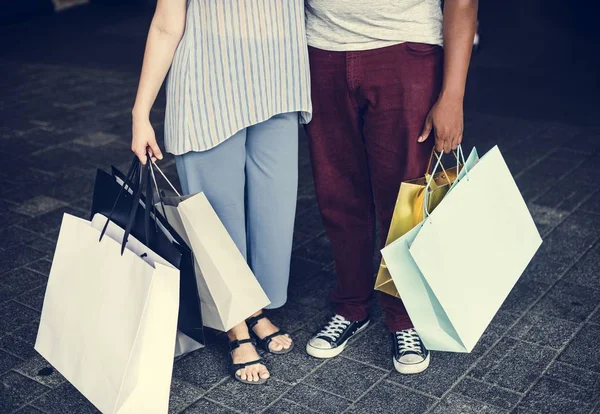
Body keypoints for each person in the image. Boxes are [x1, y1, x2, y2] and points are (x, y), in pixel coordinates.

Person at [131, 0, 311, 385]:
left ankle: (255, 307)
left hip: (279, 80)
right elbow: (166, 23)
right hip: (210, 85)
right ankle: (235, 324)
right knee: (217, 218)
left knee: (273, 213)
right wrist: (141, 112)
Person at [304, 0, 478, 374]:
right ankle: (351, 305)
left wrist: (454, 95)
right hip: (321, 49)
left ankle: (405, 316)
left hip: (405, 48)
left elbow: (463, 3)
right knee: (337, 193)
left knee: (406, 197)